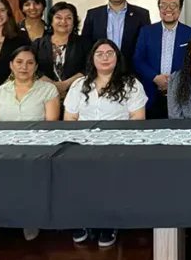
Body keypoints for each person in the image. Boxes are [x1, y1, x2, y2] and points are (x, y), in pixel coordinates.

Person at [63, 39, 147, 249]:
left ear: (117, 58)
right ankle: (83, 221)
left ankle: (109, 223)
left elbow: (138, 120)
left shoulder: (131, 84)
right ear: (92, 58)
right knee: (78, 175)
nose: (105, 57)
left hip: (118, 145)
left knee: (110, 176)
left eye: (110, 53)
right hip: (83, 145)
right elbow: (70, 120)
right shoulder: (78, 85)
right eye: (99, 54)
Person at [0, 45, 60, 247]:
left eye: (30, 63)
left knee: (30, 169)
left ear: (36, 67)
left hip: (36, 147)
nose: (24, 67)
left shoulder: (48, 90)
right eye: (19, 62)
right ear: (11, 65)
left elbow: (51, 124)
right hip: (2, 147)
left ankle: (29, 218)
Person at [133, 0, 191, 119]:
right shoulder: (147, 32)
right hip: (150, 94)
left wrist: (174, 81)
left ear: (180, 8)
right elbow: (138, 60)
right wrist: (155, 77)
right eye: (163, 5)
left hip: (181, 95)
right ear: (159, 8)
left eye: (173, 5)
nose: (168, 9)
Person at [82, 0, 151, 70]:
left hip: (132, 71)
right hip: (100, 71)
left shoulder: (142, 14)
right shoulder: (93, 15)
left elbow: (146, 46)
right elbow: (86, 45)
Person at [31, 2, 92, 100]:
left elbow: (89, 68)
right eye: (58, 17)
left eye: (68, 18)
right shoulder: (38, 44)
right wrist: (53, 85)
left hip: (77, 95)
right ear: (51, 21)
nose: (63, 21)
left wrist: (66, 84)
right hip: (44, 95)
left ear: (74, 22)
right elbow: (32, 67)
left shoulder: (84, 43)